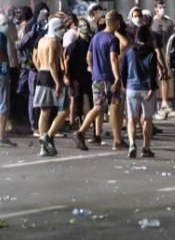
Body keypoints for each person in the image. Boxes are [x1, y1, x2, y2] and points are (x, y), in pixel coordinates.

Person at [73, 11, 123, 152]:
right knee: (104, 107)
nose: (119, 24)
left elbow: (88, 56)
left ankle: (118, 140)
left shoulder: (96, 37)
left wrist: (93, 68)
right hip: (108, 78)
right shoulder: (113, 39)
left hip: (96, 77)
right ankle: (81, 132)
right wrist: (117, 77)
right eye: (118, 22)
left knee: (109, 106)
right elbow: (114, 59)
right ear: (112, 22)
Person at [32, 17, 69, 156]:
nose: (63, 31)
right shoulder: (54, 42)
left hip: (42, 75)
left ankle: (45, 146)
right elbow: (53, 63)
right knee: (64, 110)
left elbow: (36, 60)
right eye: (61, 28)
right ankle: (47, 136)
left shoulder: (41, 40)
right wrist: (58, 82)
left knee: (45, 111)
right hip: (51, 77)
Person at [121, 24, 159, 158]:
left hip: (132, 87)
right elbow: (152, 72)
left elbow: (123, 71)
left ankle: (132, 144)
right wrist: (152, 88)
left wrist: (125, 85)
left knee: (132, 118)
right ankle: (146, 147)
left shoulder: (129, 52)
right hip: (146, 89)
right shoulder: (151, 53)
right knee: (147, 119)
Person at [0, 13, 14, 147]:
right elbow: (3, 55)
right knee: (4, 102)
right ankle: (2, 135)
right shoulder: (1, 36)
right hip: (2, 72)